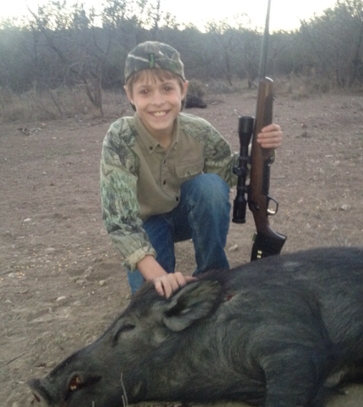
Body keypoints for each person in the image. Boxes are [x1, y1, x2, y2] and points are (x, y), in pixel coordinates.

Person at [100, 41, 283, 298]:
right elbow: (120, 221)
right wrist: (159, 276)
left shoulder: (200, 131)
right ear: (130, 95)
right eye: (144, 91)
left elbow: (230, 173)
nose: (158, 101)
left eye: (167, 88)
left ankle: (212, 277)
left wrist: (261, 149)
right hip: (146, 225)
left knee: (210, 187)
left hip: (187, 217)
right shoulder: (120, 138)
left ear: (183, 90)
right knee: (153, 299)